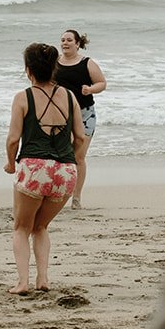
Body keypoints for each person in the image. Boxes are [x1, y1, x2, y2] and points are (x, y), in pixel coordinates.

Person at [5, 42, 86, 294]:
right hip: (65, 172)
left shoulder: (23, 97)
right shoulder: (70, 96)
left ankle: (22, 282)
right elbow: (81, 138)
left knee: (21, 227)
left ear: (28, 70)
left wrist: (10, 163)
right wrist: (66, 160)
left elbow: (13, 140)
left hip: (34, 168)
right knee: (41, 227)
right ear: (54, 68)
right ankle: (43, 279)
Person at [53, 29, 106, 210]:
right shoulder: (54, 63)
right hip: (60, 115)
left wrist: (90, 89)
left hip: (85, 114)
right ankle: (57, 194)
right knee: (59, 155)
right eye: (62, 40)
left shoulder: (87, 63)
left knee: (79, 157)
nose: (65, 43)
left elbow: (101, 83)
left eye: (69, 40)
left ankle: (76, 198)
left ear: (77, 44)